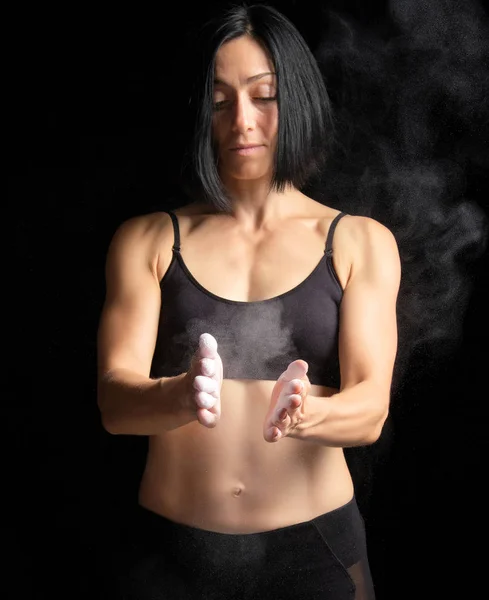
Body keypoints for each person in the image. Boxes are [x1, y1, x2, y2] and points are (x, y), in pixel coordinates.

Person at [96, 2, 401, 598]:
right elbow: (114, 403)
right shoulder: (148, 239)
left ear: (299, 101)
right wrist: (179, 394)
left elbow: (370, 410)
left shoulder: (358, 240)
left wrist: (304, 414)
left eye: (264, 95)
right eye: (219, 99)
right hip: (174, 551)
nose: (242, 120)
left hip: (314, 549)